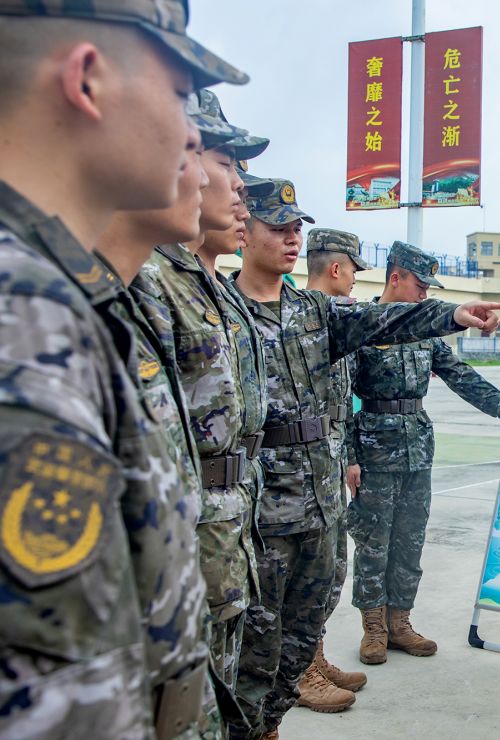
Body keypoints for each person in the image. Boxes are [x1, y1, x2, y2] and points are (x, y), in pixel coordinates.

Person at [0, 2, 247, 737]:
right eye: (177, 93)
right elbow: (64, 701)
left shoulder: (56, 292)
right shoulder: (25, 312)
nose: (194, 133)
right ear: (86, 80)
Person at [231, 179, 500, 739]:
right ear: (244, 232)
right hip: (260, 488)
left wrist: (455, 317)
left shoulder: (317, 311)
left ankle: (310, 673)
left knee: (319, 592)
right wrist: (354, 455)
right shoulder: (222, 306)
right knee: (263, 619)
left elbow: (393, 325)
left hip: (322, 480)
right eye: (278, 229)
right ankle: (311, 673)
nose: (290, 239)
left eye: (295, 230)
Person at [127, 88, 271, 737]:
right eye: (223, 160)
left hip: (225, 536)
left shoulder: (207, 284)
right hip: (186, 550)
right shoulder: (146, 282)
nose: (240, 189)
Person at [348, 241, 500, 666]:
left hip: (417, 447)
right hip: (373, 448)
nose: (424, 294)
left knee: (410, 539)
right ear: (395, 277)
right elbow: (339, 397)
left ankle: (400, 622)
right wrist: (349, 456)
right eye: (419, 285)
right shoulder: (360, 325)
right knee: (372, 540)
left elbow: (458, 374)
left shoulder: (426, 335)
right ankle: (374, 627)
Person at [294, 228, 371, 713]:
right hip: (295, 473)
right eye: (353, 269)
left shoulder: (337, 322)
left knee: (330, 573)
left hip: (328, 466)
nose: (355, 280)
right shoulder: (300, 319)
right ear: (337, 268)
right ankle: (299, 672)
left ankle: (314, 655)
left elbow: (340, 404)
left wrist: (348, 458)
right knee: (301, 578)